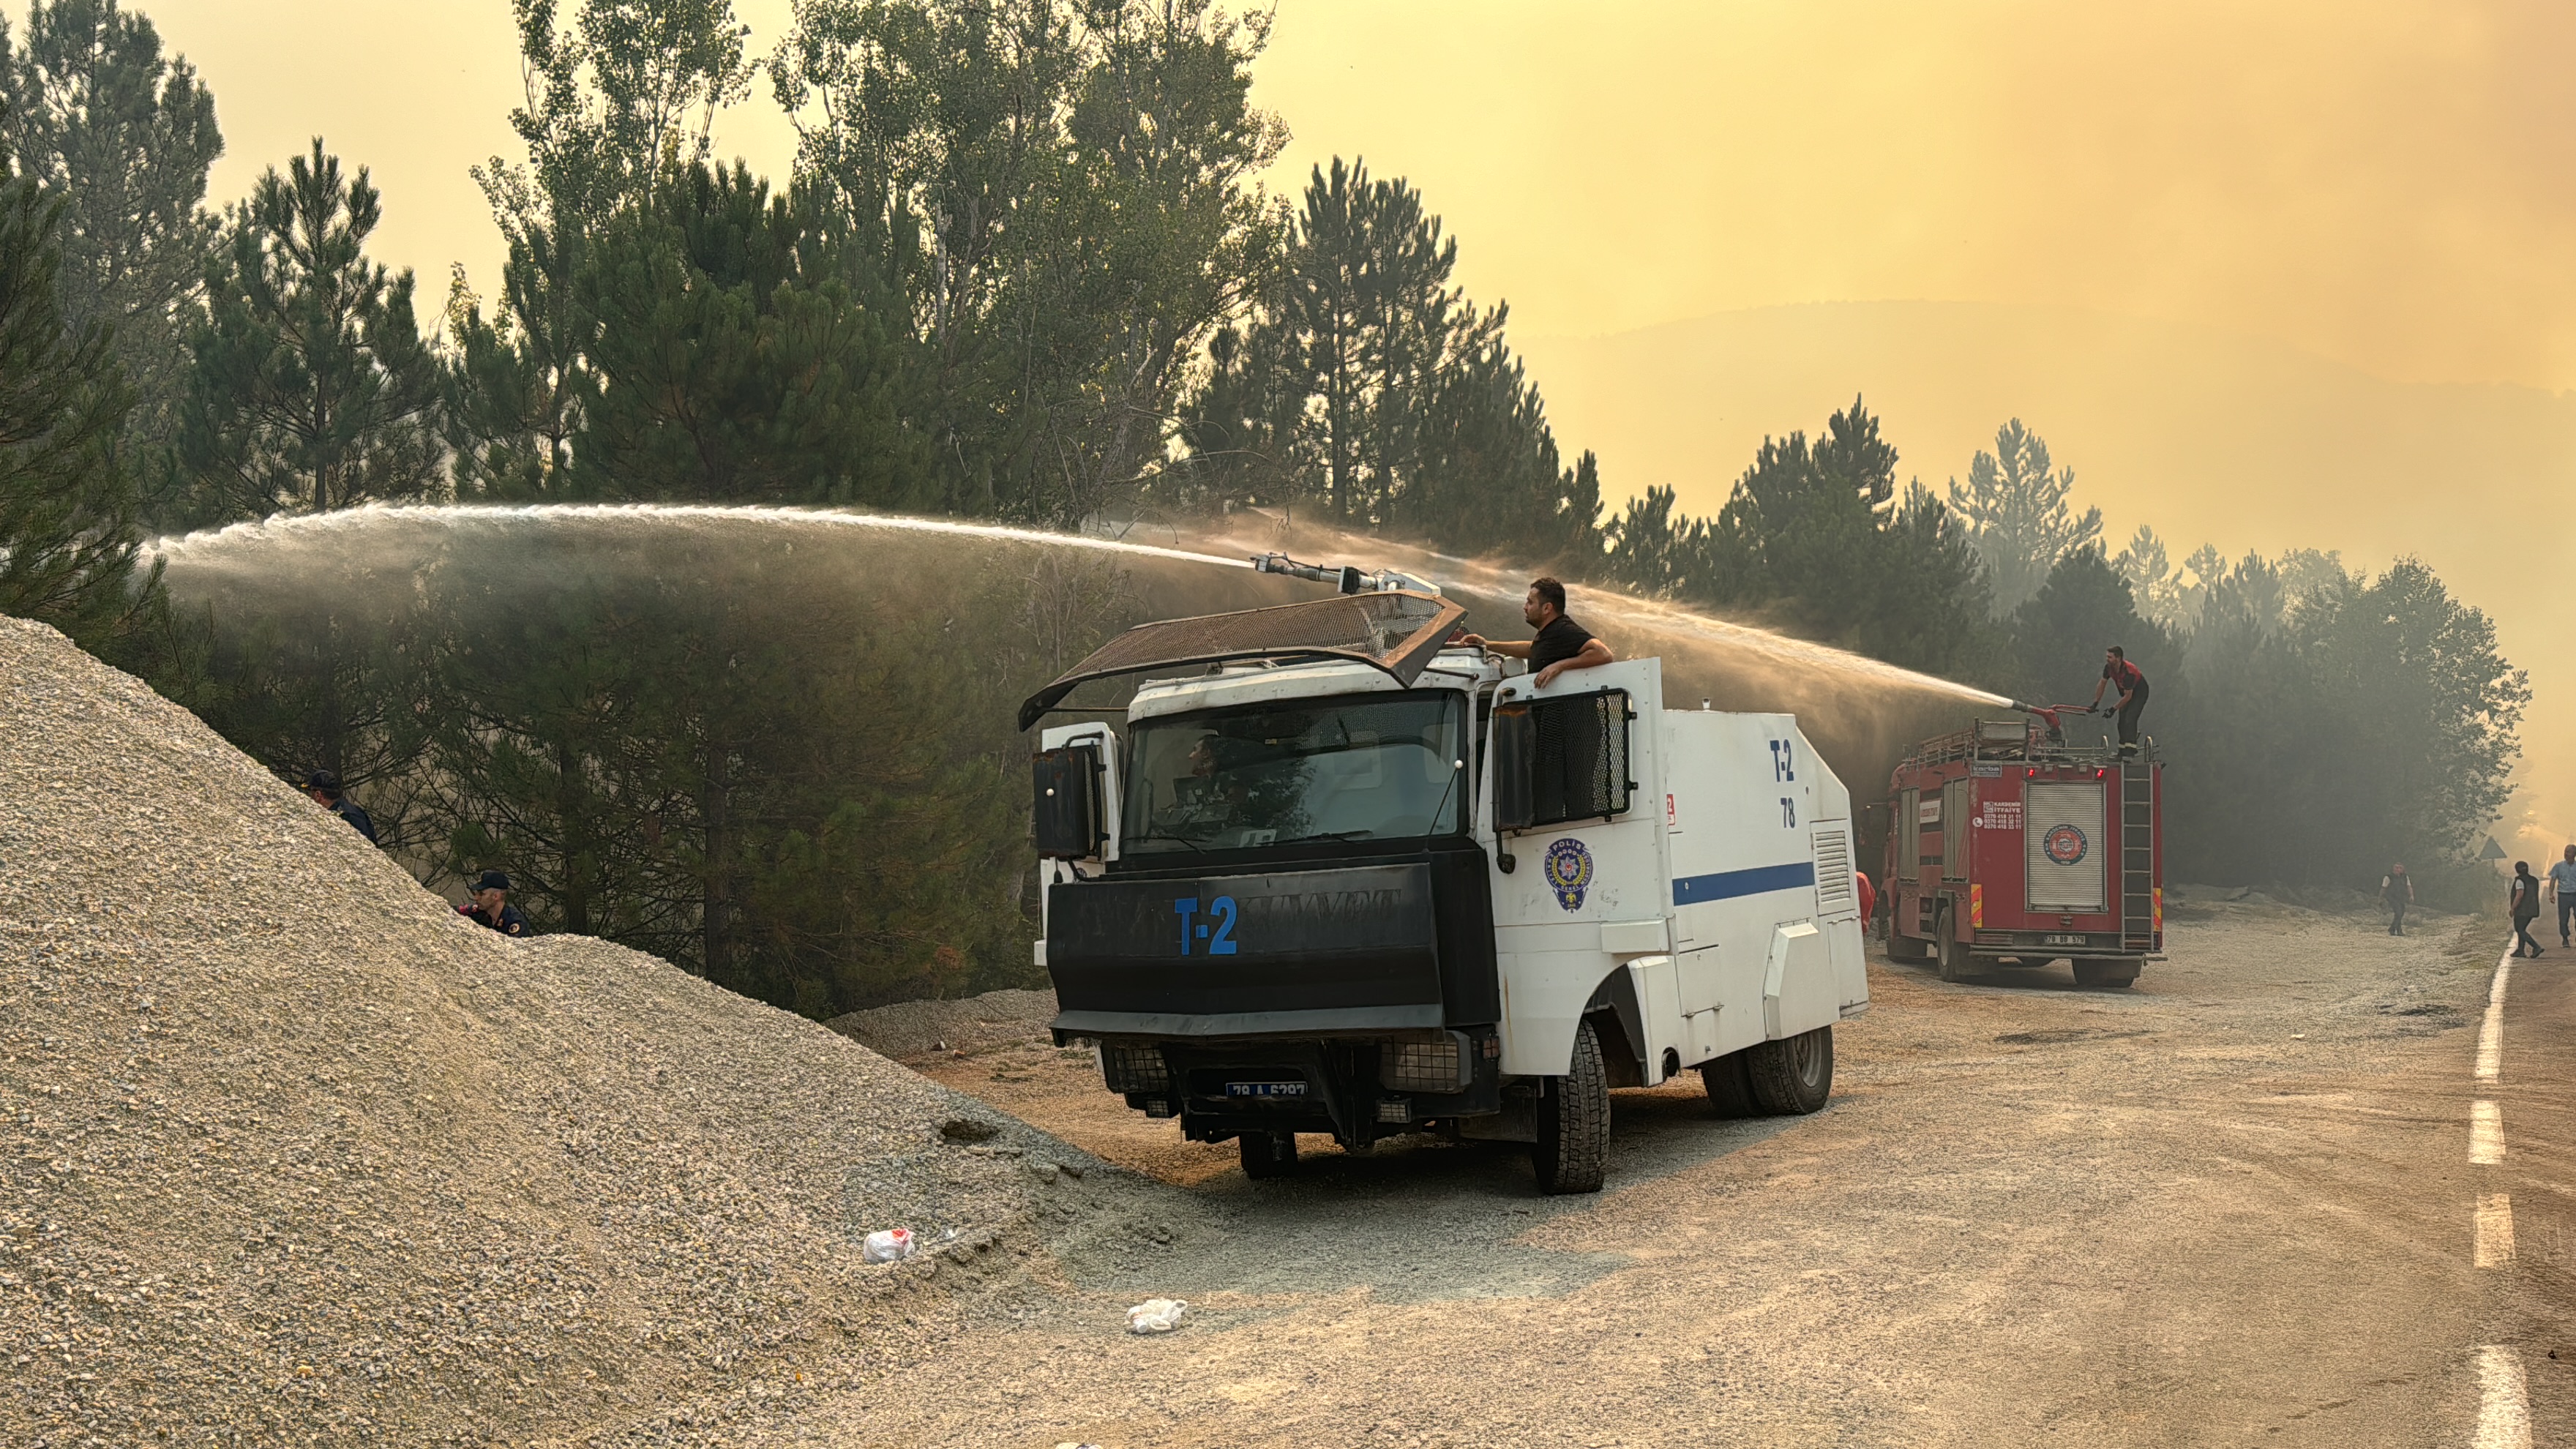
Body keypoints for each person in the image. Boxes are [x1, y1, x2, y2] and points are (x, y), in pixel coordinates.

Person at [1463, 577, 1614, 689]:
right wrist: (1487, 644)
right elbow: (1532, 649)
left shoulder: (1563, 629)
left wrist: (1559, 666)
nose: (1525, 607)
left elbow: (1603, 653)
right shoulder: (1550, 635)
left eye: (1530, 602)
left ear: (1547, 608)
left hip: (1567, 725)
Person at [2087, 646, 2150, 757]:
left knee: (2130, 718)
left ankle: (2130, 751)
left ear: (2118, 658)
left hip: (2138, 694)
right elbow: (2102, 684)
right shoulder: (2109, 668)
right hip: (2127, 694)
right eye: (2107, 656)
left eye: (2110, 657)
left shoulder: (2129, 673)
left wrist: (2112, 709)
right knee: (2121, 721)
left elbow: (2128, 697)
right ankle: (2122, 751)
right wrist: (2095, 703)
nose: (2107, 659)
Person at [303, 770, 378, 845]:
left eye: (309, 792)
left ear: (318, 795)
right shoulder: (337, 812)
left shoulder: (347, 818)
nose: (309, 797)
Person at [458, 869, 528, 936]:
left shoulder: (514, 921)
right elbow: (450, 911)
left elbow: (513, 946)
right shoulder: (476, 912)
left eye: (481, 894)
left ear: (496, 896)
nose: (476, 898)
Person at [2509, 861, 2543, 958]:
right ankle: (2520, 950)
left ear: (2517, 870)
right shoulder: (2534, 880)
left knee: (2519, 929)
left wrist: (2513, 908)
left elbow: (2519, 895)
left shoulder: (2520, 881)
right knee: (2522, 929)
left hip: (2522, 910)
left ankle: (2536, 947)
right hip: (2532, 909)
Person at [2548, 845, 2576, 948]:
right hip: (2563, 895)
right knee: (2563, 918)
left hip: (2575, 894)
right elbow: (2553, 880)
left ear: (2574, 854)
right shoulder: (2558, 866)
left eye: (2569, 852)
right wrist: (2551, 894)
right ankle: (2565, 938)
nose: (2566, 854)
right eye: (2565, 851)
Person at [2379, 862, 2414, 936]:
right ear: (2393, 869)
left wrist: (2411, 895)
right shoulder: (2388, 877)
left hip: (2401, 897)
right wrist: (2381, 898)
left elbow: (2409, 886)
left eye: (2400, 868)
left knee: (2401, 913)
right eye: (2396, 868)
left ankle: (2394, 930)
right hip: (2391, 897)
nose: (2398, 869)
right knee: (2398, 913)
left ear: (2403, 869)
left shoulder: (2405, 877)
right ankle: (2396, 930)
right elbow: (2383, 888)